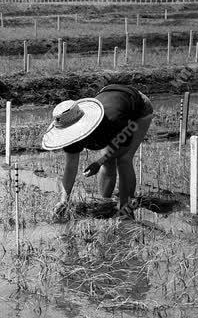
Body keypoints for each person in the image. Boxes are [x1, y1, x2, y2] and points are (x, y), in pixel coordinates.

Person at [41, 84, 154, 218]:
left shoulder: (112, 120)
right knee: (108, 162)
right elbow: (70, 167)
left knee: (123, 160)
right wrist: (64, 200)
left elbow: (124, 148)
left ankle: (126, 209)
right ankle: (106, 204)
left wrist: (99, 162)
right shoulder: (70, 131)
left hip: (138, 108)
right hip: (110, 95)